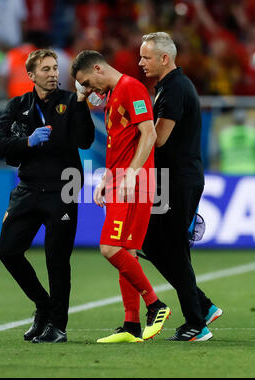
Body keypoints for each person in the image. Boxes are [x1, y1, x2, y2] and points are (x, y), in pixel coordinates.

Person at [0, 49, 95, 343]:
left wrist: (83, 104)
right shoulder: (18, 105)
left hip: (63, 189)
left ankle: (57, 326)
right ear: (31, 75)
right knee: (8, 252)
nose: (52, 74)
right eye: (46, 69)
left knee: (56, 259)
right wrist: (27, 141)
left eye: (55, 68)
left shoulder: (71, 101)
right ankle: (43, 306)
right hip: (29, 189)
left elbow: (85, 140)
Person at [71, 50, 171, 343]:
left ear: (99, 68)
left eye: (88, 82)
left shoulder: (131, 88)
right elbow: (120, 144)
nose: (89, 90)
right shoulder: (114, 95)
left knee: (109, 248)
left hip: (134, 182)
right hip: (119, 180)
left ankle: (156, 304)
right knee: (124, 252)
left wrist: (129, 175)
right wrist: (107, 177)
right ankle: (131, 325)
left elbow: (149, 134)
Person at [138, 32, 222, 341]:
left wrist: (133, 130)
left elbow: (158, 138)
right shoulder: (170, 87)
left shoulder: (174, 89)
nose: (140, 62)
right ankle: (202, 305)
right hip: (171, 180)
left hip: (177, 180)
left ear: (164, 58)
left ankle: (196, 324)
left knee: (170, 248)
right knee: (151, 242)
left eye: (146, 57)